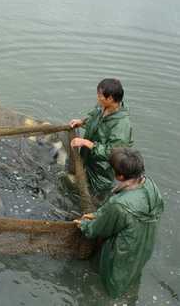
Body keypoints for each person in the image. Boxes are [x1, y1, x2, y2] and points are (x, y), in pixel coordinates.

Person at [74, 147, 164, 298]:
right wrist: (98, 214)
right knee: (132, 273)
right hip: (144, 245)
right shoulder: (150, 185)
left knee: (113, 281)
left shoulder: (119, 205)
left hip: (122, 250)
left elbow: (96, 230)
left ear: (120, 176)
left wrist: (83, 224)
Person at [69, 78, 133, 202]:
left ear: (110, 99)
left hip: (102, 171)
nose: (97, 98)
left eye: (100, 96)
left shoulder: (121, 125)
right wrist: (82, 122)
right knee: (77, 186)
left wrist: (86, 143)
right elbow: (94, 117)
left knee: (96, 197)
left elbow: (114, 153)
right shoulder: (102, 106)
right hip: (87, 159)